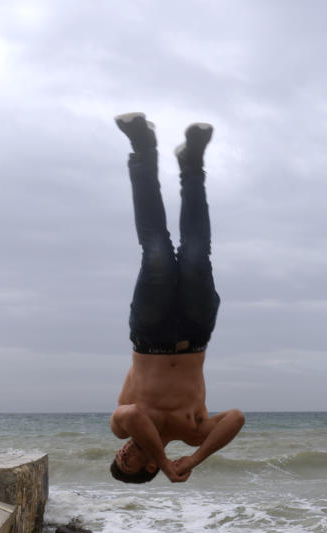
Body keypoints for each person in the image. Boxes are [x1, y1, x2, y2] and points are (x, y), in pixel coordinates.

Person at [109, 113, 244, 483]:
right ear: (149, 466)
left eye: (119, 459)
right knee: (198, 251)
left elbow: (134, 416)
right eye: (129, 463)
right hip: (194, 333)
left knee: (154, 248)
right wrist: (194, 459)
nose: (123, 453)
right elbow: (236, 418)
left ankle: (142, 149)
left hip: (149, 334)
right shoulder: (192, 432)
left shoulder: (122, 429)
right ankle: (191, 163)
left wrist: (168, 465)